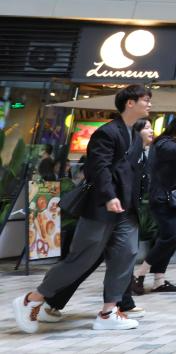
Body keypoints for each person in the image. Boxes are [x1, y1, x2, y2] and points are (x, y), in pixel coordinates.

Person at [12, 84, 150, 333]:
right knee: (82, 259)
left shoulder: (135, 137)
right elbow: (98, 168)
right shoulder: (107, 132)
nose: (149, 103)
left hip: (126, 210)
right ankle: (32, 299)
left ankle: (108, 312)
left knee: (126, 255)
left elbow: (132, 173)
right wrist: (109, 196)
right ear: (130, 103)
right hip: (102, 207)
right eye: (145, 99)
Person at [41, 119, 154, 322]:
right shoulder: (117, 143)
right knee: (85, 262)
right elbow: (103, 172)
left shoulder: (142, 153)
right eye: (146, 127)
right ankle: (45, 300)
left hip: (123, 213)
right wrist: (111, 198)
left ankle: (119, 304)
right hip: (104, 211)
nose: (152, 131)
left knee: (123, 257)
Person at [132, 114, 176, 295]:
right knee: (172, 236)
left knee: (172, 238)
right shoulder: (164, 144)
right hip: (163, 201)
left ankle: (159, 281)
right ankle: (139, 273)